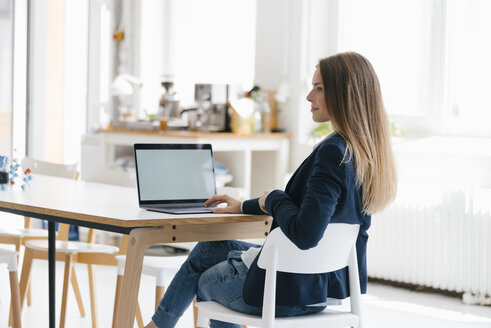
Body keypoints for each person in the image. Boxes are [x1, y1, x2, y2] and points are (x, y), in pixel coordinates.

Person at [144, 51, 397, 328]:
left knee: (206, 279)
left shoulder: (332, 153)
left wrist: (275, 198)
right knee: (207, 250)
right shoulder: (364, 154)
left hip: (287, 294)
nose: (309, 97)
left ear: (345, 93)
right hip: (320, 290)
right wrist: (243, 205)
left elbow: (305, 234)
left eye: (319, 88)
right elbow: (303, 209)